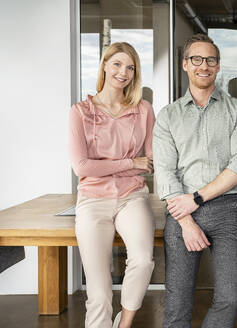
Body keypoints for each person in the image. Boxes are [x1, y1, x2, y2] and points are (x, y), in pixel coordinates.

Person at [153, 33, 237, 328]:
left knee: (231, 297)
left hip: (228, 209)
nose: (204, 65)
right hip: (181, 211)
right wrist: (186, 220)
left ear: (218, 66)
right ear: (185, 65)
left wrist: (196, 198)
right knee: (177, 301)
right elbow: (166, 173)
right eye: (196, 59)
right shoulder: (168, 116)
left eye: (210, 59)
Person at [69, 42, 156, 328]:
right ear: (105, 65)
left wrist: (141, 164)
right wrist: (130, 163)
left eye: (130, 67)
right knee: (98, 291)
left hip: (132, 196)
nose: (123, 72)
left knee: (143, 260)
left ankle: (124, 323)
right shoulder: (80, 112)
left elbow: (152, 160)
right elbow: (82, 167)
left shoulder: (143, 110)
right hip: (93, 200)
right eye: (117, 64)